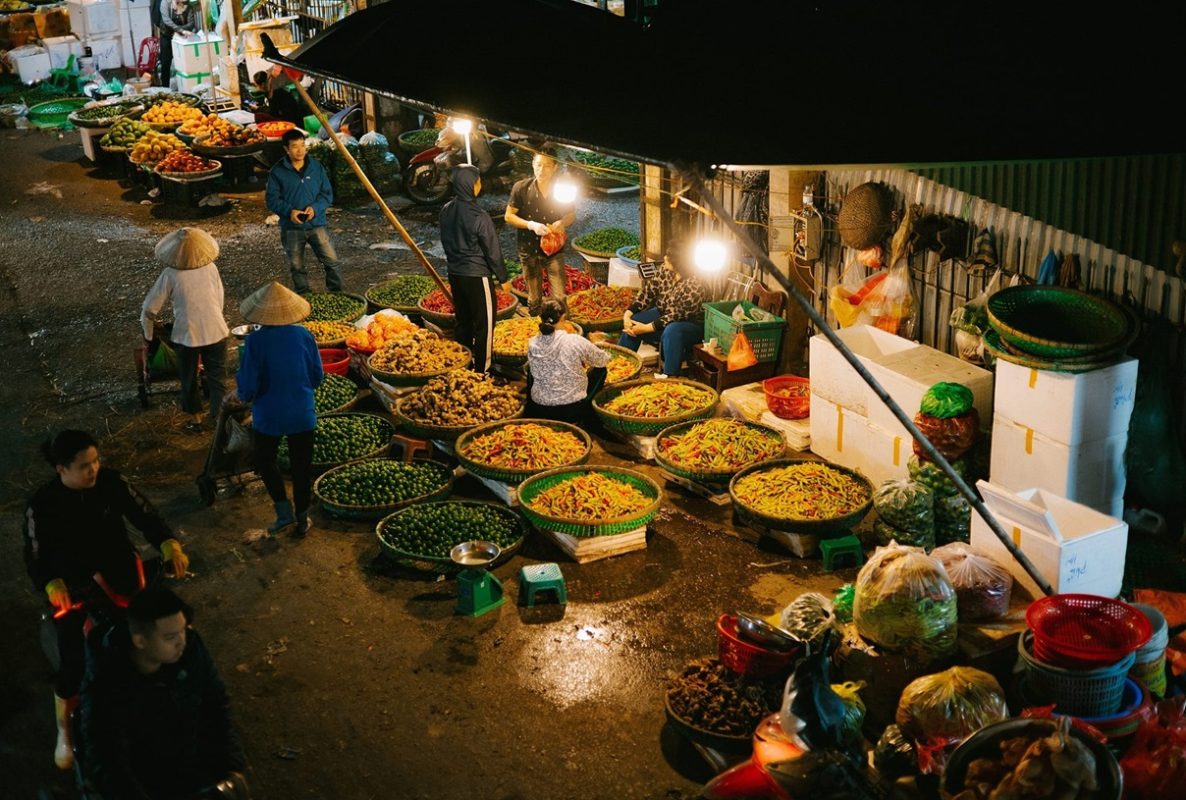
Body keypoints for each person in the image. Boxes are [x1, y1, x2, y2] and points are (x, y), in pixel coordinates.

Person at [23, 430, 190, 770]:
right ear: (61, 469)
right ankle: (65, 731)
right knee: (73, 664)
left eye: (96, 461)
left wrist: (167, 542)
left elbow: (146, 514)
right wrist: (51, 583)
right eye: (84, 466)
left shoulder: (112, 483)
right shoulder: (41, 504)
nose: (94, 470)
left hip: (122, 574)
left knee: (157, 637)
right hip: (75, 586)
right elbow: (35, 552)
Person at [80, 586, 248, 800]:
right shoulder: (107, 680)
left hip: (192, 765)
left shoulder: (190, 651)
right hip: (147, 780)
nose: (182, 641)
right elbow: (106, 754)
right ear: (140, 641)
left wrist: (231, 767)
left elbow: (216, 704)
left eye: (183, 630)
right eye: (170, 637)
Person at [232, 281, 323, 537]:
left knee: (265, 460)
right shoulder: (304, 335)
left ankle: (284, 513)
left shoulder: (255, 341)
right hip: (302, 413)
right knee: (301, 467)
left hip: (269, 416)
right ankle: (302, 518)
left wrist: (241, 396)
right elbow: (317, 376)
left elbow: (248, 385)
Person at [141, 227, 230, 433]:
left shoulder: (170, 274)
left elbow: (149, 308)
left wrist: (148, 335)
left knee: (189, 379)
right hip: (216, 330)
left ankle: (197, 421)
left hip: (187, 336)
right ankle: (220, 421)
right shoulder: (211, 268)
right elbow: (219, 299)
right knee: (217, 380)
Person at [440, 164, 508, 374]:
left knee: (463, 322)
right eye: (478, 181)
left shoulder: (446, 210)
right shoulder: (479, 215)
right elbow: (492, 250)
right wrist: (503, 278)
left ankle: (462, 365)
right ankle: (483, 370)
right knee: (484, 325)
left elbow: (445, 240)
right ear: (471, 184)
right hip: (477, 276)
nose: (480, 185)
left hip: (455, 273)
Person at [265, 128, 343, 294]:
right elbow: (272, 200)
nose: (300, 150)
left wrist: (315, 208)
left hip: (316, 224)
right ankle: (304, 296)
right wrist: (290, 212)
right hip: (291, 228)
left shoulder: (316, 167)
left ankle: (336, 293)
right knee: (297, 265)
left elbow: (327, 194)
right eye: (295, 146)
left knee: (332, 261)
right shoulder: (277, 172)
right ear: (286, 149)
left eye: (303, 145)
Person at [618, 239, 708, 378]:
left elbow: (675, 315)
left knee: (672, 330)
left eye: (669, 257)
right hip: (663, 315)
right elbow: (647, 293)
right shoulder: (665, 270)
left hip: (690, 325)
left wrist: (646, 328)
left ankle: (670, 377)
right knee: (634, 321)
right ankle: (621, 367)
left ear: (680, 263)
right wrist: (628, 314)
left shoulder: (696, 284)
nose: (665, 258)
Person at [504, 147, 576, 315]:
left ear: (555, 167)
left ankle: (561, 330)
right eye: (538, 165)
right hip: (529, 249)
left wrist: (562, 222)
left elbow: (571, 215)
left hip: (554, 250)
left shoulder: (562, 189)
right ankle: (536, 328)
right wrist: (531, 225)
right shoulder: (521, 188)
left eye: (547, 166)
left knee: (559, 296)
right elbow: (509, 216)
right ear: (532, 165)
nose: (541, 170)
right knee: (534, 297)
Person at [525, 300, 611, 424]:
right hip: (570, 410)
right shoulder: (574, 340)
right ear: (563, 317)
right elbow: (602, 360)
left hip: (540, 408)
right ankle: (588, 413)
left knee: (531, 368)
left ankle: (531, 412)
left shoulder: (532, 342)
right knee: (601, 370)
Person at [157, 0, 199, 89]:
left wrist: (179, 32)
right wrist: (181, 30)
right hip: (167, 37)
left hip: (182, 39)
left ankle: (186, 87)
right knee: (165, 63)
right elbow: (166, 21)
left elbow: (191, 23)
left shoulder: (187, 6)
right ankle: (165, 88)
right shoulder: (165, 3)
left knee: (185, 63)